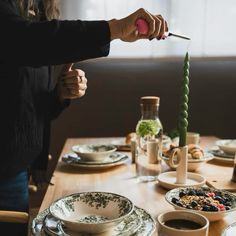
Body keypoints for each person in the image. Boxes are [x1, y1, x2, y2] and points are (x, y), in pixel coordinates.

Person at [0, 0, 168, 235]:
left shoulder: (38, 8)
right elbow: (23, 40)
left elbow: (29, 105)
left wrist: (60, 94)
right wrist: (114, 29)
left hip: (20, 166)